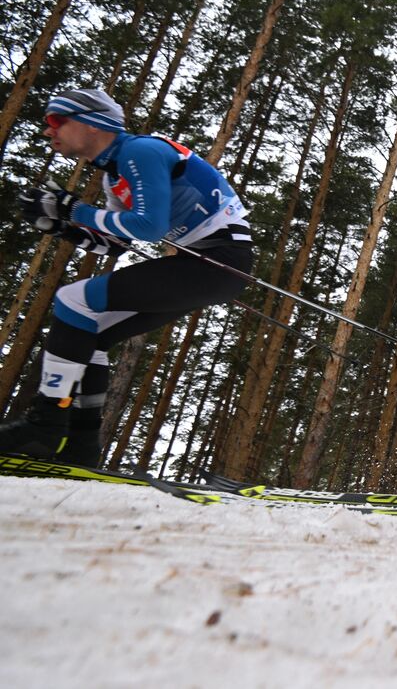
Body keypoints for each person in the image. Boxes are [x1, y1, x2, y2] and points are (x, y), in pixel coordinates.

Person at [0, 88, 253, 467]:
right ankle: (83, 444)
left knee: (72, 299)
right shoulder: (114, 176)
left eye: (56, 121)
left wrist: (75, 209)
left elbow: (149, 228)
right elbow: (116, 244)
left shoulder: (140, 151)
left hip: (216, 260)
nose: (48, 132)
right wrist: (63, 227)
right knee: (92, 336)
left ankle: (45, 423)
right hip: (207, 265)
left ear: (90, 122)